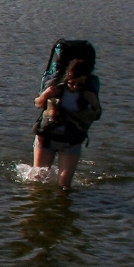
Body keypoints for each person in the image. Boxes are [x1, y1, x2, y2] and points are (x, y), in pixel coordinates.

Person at [32, 58, 101, 191]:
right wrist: (45, 95)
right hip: (47, 138)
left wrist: (95, 104)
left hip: (71, 141)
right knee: (38, 183)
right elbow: (38, 104)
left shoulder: (88, 94)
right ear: (67, 78)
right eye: (72, 83)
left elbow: (97, 116)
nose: (75, 87)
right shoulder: (57, 88)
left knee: (64, 187)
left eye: (80, 84)